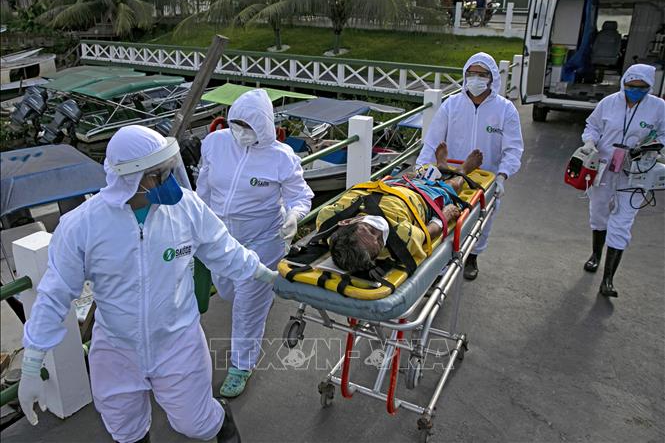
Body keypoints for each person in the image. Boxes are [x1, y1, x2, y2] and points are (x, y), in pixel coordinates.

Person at [18, 125, 279, 443]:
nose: (169, 180)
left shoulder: (186, 207)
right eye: (158, 174)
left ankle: (221, 425)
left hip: (178, 342)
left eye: (169, 169)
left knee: (196, 423)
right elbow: (55, 293)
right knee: (125, 429)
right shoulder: (82, 226)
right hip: (116, 348)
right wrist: (32, 361)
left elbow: (224, 250)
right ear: (129, 178)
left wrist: (264, 274)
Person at [197, 89, 313, 397]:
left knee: (247, 308)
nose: (240, 132)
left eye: (247, 127)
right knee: (227, 291)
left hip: (262, 241)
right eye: (236, 124)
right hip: (221, 238)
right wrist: (197, 221)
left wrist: (294, 217)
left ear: (263, 126)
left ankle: (241, 366)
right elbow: (204, 187)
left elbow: (301, 197)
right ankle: (263, 295)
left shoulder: (281, 157)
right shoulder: (215, 144)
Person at [416, 52, 524, 280]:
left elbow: (513, 148)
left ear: (492, 77)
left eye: (482, 74)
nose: (476, 79)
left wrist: (503, 176)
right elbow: (432, 141)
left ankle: (472, 256)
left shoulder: (505, 110)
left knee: (481, 223)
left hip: (485, 179)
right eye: (471, 73)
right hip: (451, 177)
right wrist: (422, 168)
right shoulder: (451, 105)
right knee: (446, 217)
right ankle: (441, 263)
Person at [320, 145, 483, 273]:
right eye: (379, 242)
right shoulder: (401, 238)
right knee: (451, 186)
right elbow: (428, 232)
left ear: (347, 221)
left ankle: (440, 167)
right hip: (422, 198)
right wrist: (444, 216)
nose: (380, 231)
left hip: (390, 186)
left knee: (418, 175)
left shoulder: (329, 218)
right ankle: (463, 170)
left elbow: (324, 219)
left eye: (370, 229)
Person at [579, 64, 665, 298]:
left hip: (636, 170)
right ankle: (596, 254)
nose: (635, 91)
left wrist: (652, 147)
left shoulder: (658, 107)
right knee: (598, 212)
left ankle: (608, 279)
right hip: (605, 167)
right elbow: (592, 126)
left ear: (649, 87)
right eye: (630, 86)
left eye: (641, 88)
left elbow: (664, 134)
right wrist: (590, 143)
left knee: (623, 221)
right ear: (623, 83)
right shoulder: (608, 103)